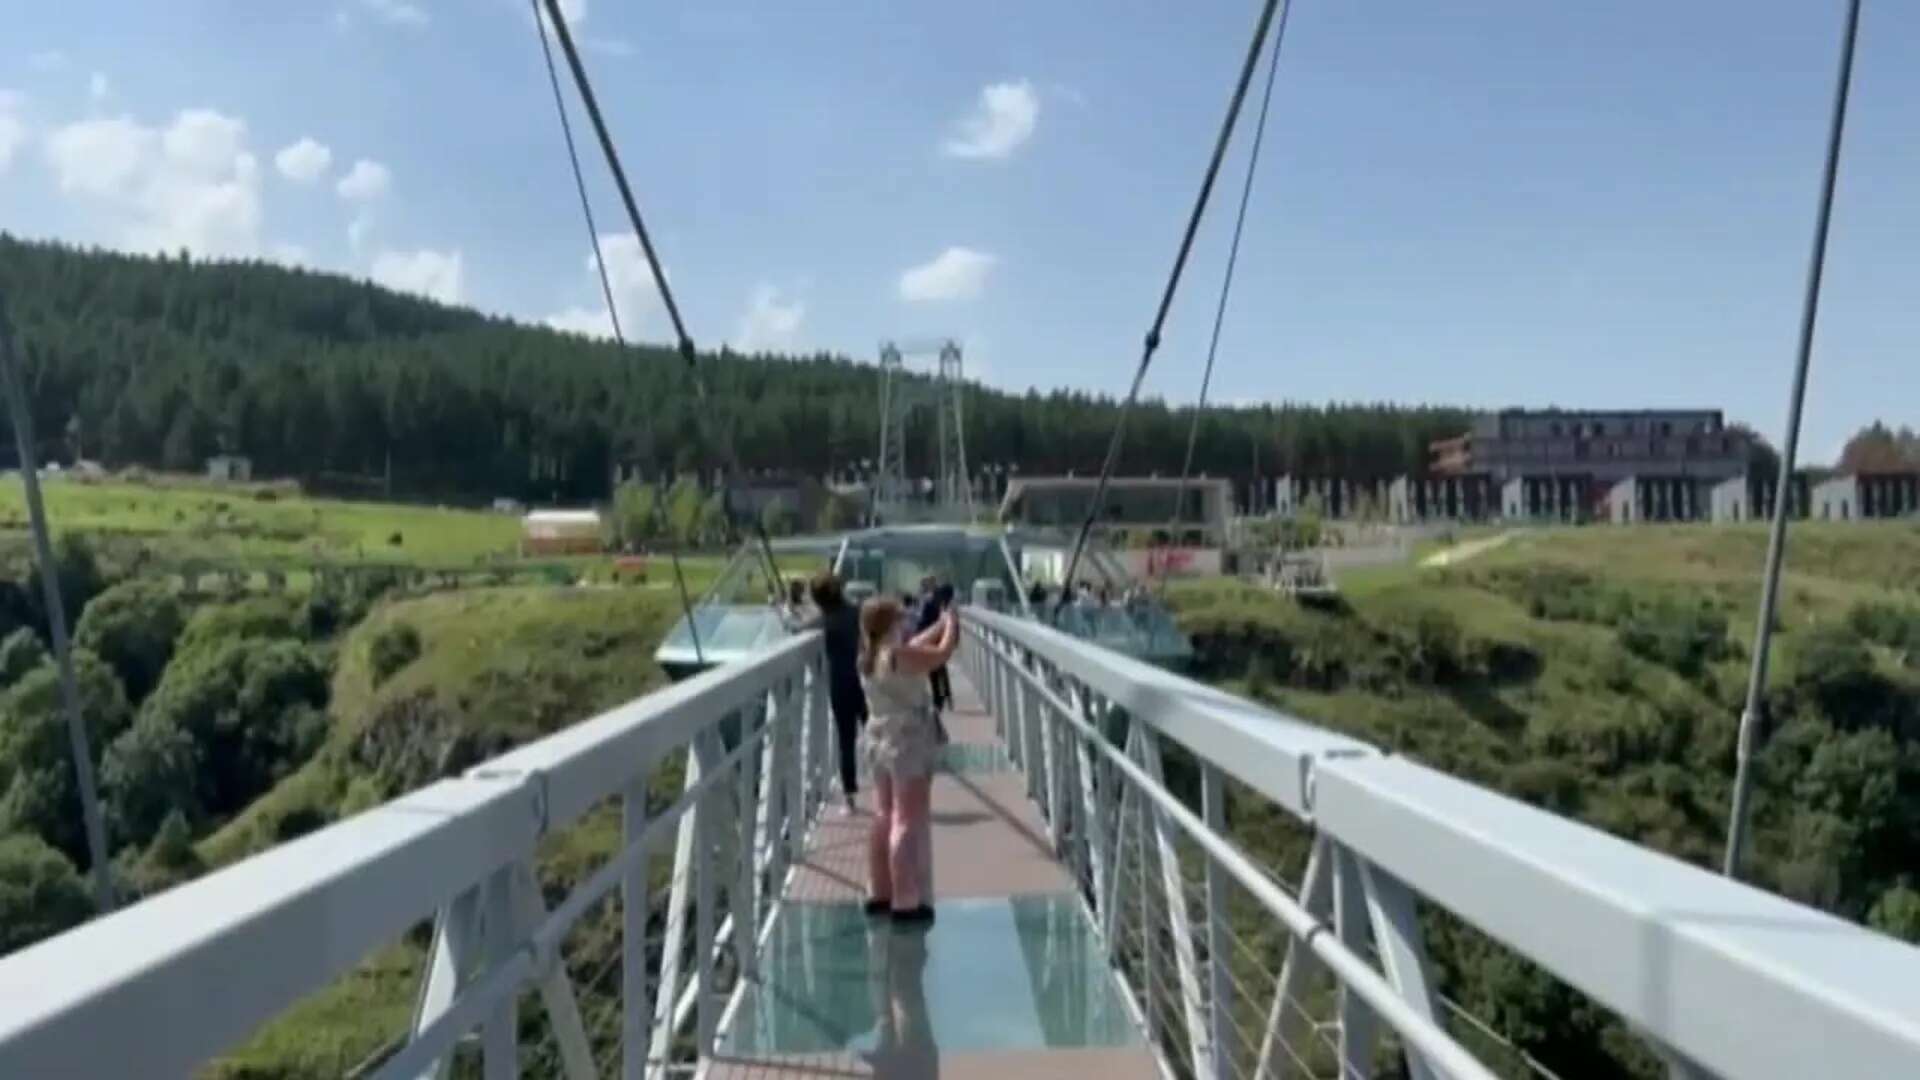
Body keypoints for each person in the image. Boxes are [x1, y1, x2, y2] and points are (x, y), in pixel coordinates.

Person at [859, 596, 958, 925]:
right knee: (907, 818)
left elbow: (917, 644)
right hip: (907, 741)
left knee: (883, 814)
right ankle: (906, 897)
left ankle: (879, 890)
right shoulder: (899, 657)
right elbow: (940, 654)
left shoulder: (871, 656)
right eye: (900, 619)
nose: (906, 623)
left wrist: (939, 623)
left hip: (877, 738)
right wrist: (952, 625)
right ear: (890, 625)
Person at [790, 573, 866, 813]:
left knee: (846, 740)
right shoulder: (856, 611)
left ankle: (850, 796)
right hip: (865, 680)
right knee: (878, 731)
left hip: (840, 684)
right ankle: (894, 785)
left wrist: (789, 609)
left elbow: (796, 628)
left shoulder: (826, 619)